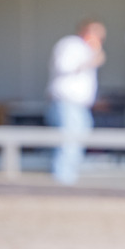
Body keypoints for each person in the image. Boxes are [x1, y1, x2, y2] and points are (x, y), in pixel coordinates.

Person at [47, 20, 106, 185]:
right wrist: (91, 59)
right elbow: (64, 67)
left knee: (77, 142)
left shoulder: (87, 50)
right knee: (68, 143)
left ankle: (69, 178)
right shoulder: (70, 45)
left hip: (80, 106)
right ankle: (62, 181)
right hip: (66, 103)